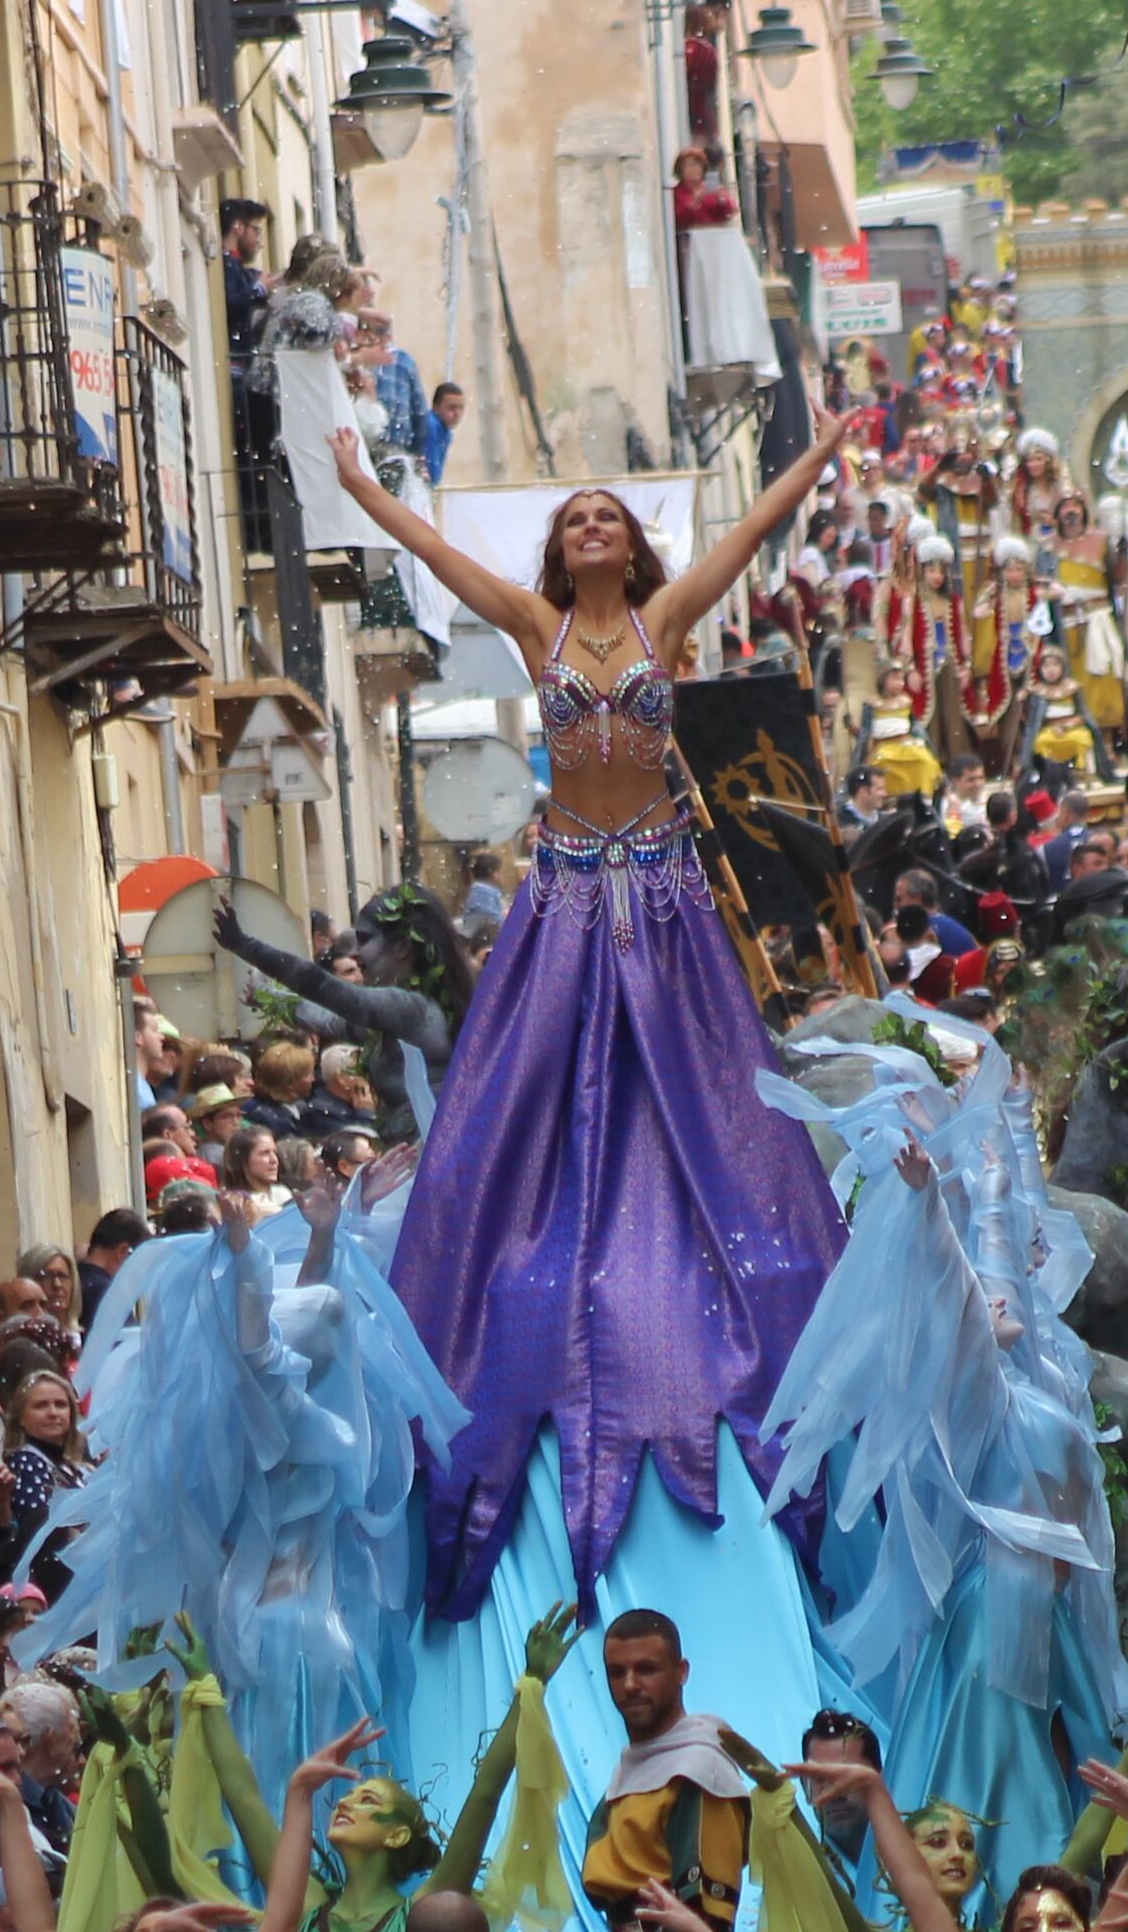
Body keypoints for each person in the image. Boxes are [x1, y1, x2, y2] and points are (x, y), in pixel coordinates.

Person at [321, 422, 865, 1612]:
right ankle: (507, 1253)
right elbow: (432, 553)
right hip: (568, 884)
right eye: (575, 520)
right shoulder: (534, 625)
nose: (592, 527)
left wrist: (816, 453)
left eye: (606, 516)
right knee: (521, 1091)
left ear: (630, 542)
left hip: (662, 886)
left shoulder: (664, 626)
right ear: (561, 553)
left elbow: (747, 536)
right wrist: (361, 484)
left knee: (706, 1087)